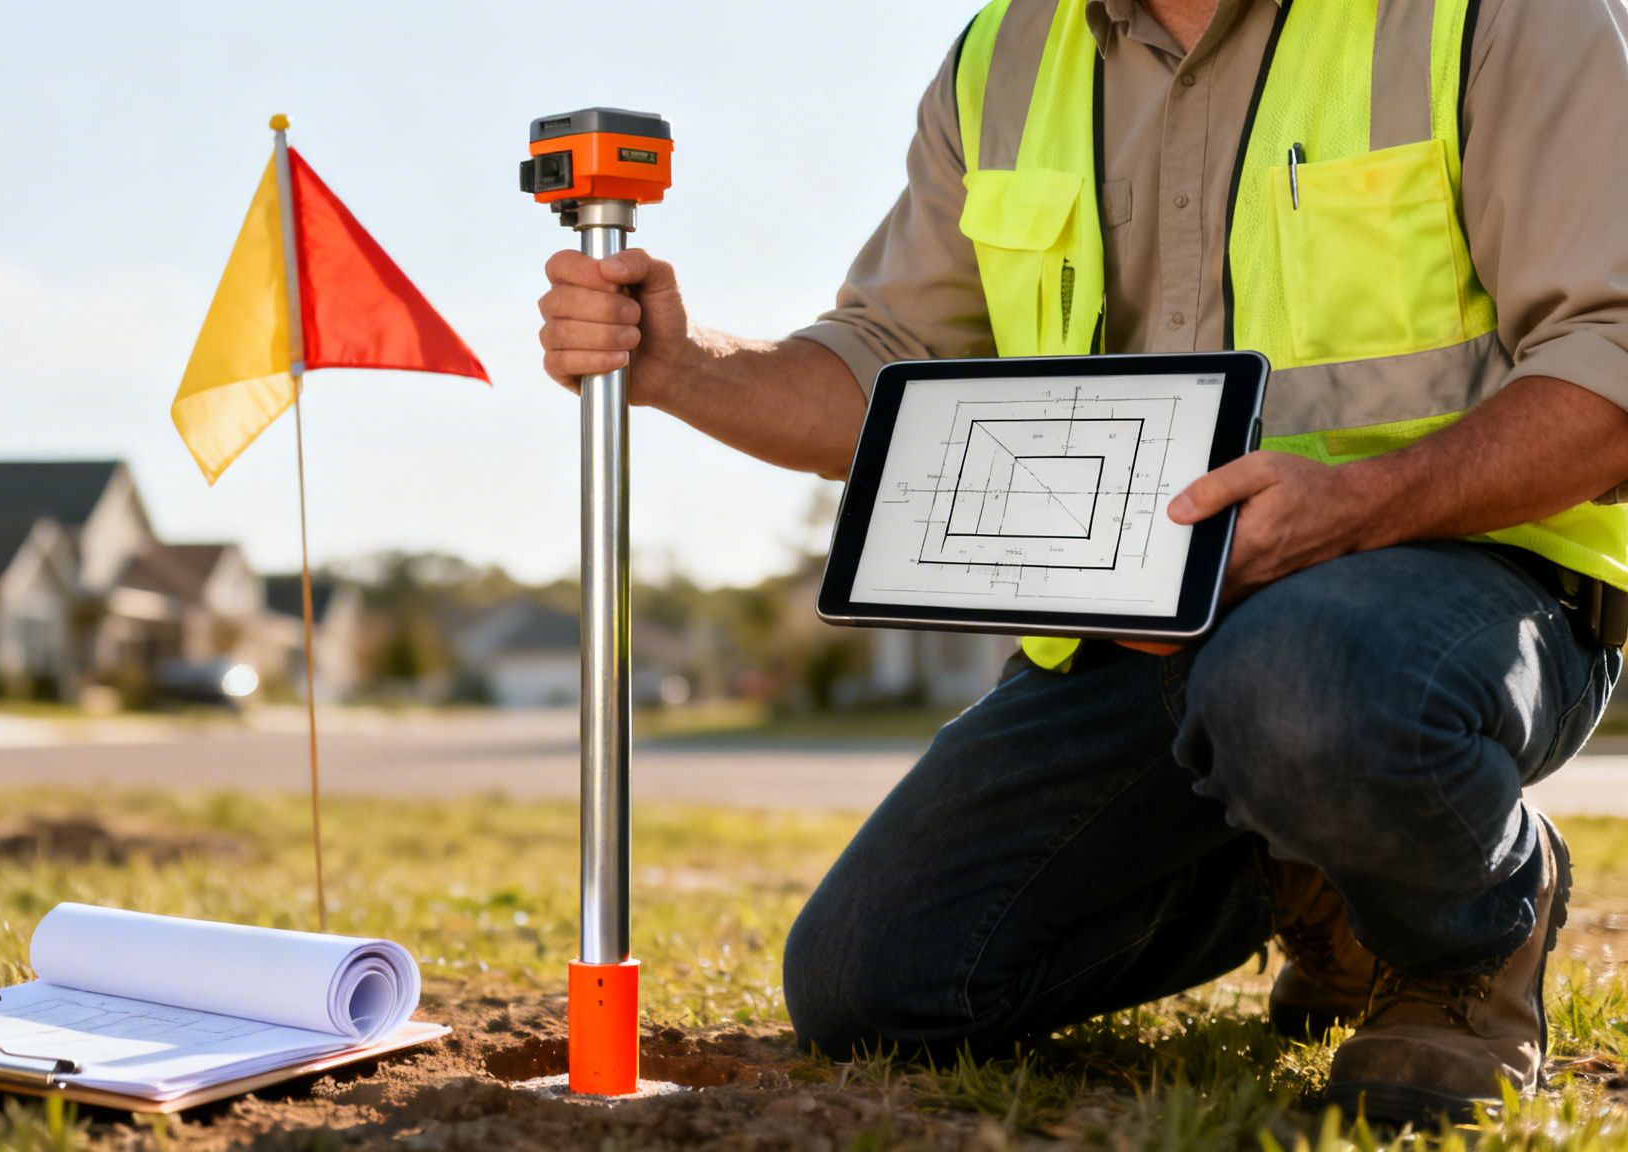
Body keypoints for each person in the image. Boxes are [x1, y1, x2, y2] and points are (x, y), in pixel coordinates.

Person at [535, 0, 1628, 1123]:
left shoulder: (1493, 16)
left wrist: (1355, 507)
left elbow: (1611, 349)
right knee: (878, 986)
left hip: (1454, 591)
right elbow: (892, 370)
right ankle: (1328, 866)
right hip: (1141, 632)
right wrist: (681, 366)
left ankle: (1463, 944)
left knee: (1302, 683)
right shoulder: (1004, 56)